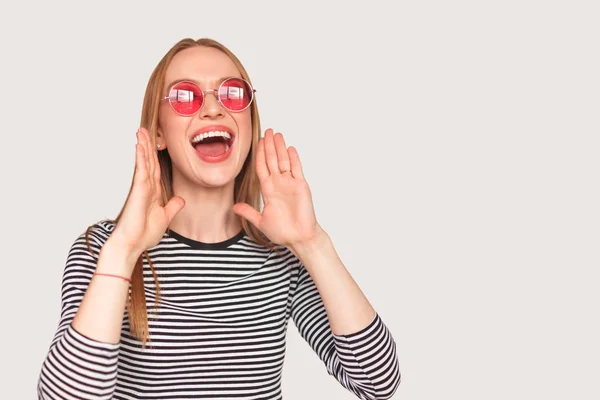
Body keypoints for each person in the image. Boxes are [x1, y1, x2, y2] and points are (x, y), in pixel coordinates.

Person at [37, 38, 401, 400]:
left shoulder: (282, 258)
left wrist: (313, 244)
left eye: (232, 93)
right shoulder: (103, 249)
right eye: (185, 96)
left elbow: (378, 382)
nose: (213, 109)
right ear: (159, 132)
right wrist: (122, 254)